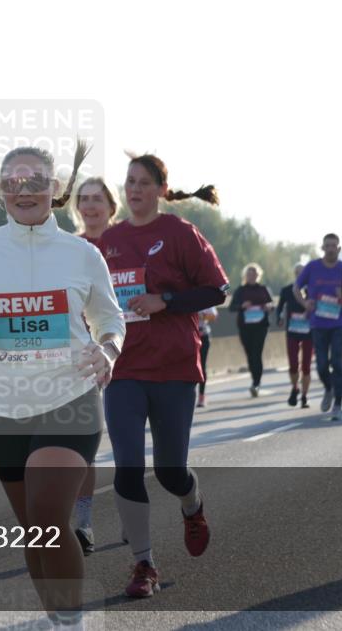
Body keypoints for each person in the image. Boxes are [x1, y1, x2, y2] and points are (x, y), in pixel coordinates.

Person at [0, 143, 125, 628]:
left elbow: (110, 318)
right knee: (35, 533)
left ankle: (73, 622)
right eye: (13, 182)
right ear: (0, 190)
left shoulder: (81, 254)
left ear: (55, 189)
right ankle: (57, 620)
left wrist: (108, 350)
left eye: (36, 181)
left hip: (70, 398)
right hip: (3, 410)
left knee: (48, 516)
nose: (25, 191)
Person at [98, 152, 228, 598]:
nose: (134, 189)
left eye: (143, 183)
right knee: (127, 467)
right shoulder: (106, 242)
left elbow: (216, 290)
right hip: (123, 368)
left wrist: (164, 301)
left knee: (171, 470)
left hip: (174, 368)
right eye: (129, 182)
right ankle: (143, 564)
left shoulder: (179, 233)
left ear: (160, 190)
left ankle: (192, 505)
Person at [70, 176, 120, 557]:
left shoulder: (130, 242)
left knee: (129, 448)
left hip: (138, 355)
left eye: (96, 199)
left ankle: (133, 512)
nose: (89, 206)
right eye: (83, 199)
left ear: (111, 205)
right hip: (87, 360)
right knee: (85, 448)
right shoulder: (67, 249)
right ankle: (83, 522)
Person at [295, 234, 342, 420]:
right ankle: (329, 388)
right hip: (318, 322)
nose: (331, 248)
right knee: (321, 365)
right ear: (322, 248)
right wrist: (305, 303)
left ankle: (338, 405)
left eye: (334, 245)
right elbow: (296, 288)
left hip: (339, 322)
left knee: (336, 361)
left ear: (339, 249)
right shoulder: (312, 267)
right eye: (327, 245)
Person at [229, 263, 273, 396]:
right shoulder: (240, 290)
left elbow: (272, 305)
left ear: (258, 275)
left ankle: (256, 383)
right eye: (249, 274)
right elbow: (232, 308)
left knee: (256, 353)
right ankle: (255, 380)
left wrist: (268, 307)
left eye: (254, 274)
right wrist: (242, 306)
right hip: (245, 327)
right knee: (250, 355)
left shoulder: (263, 289)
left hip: (260, 326)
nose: (251, 276)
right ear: (245, 276)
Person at [276, 264, 313, 408]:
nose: (299, 275)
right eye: (297, 273)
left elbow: (318, 305)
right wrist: (279, 317)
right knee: (293, 365)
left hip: (309, 332)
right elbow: (279, 307)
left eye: (302, 273)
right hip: (292, 331)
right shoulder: (286, 290)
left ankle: (304, 396)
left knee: (306, 366)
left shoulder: (312, 290)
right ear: (294, 274)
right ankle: (295, 388)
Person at [197, 307, 219, 407]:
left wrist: (203, 316)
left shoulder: (203, 296)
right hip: (186, 336)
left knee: (201, 366)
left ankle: (201, 396)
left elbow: (214, 316)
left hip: (203, 335)